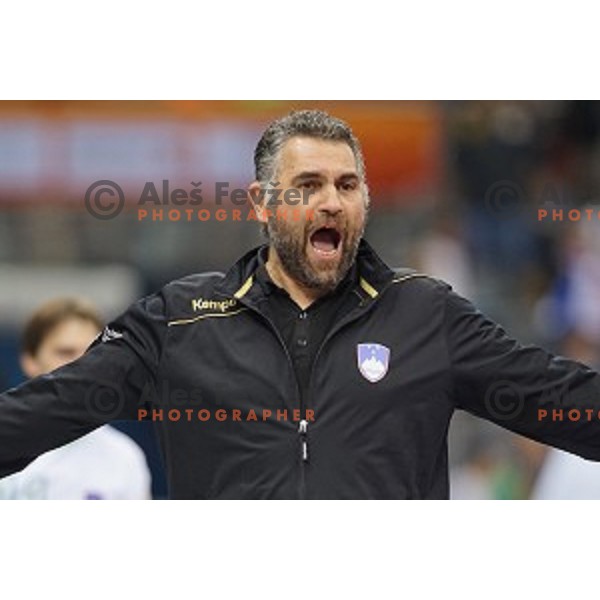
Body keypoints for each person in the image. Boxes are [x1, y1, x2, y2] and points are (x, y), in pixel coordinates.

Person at [1, 109, 600, 499]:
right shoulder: (178, 320)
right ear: (262, 203)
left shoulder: (425, 314)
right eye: (308, 186)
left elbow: (565, 403)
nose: (332, 202)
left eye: (347, 185)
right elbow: (38, 415)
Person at [0, 298, 151, 499]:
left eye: (93, 353)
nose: (83, 365)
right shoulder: (7, 438)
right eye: (66, 352)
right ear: (30, 360)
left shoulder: (126, 459)